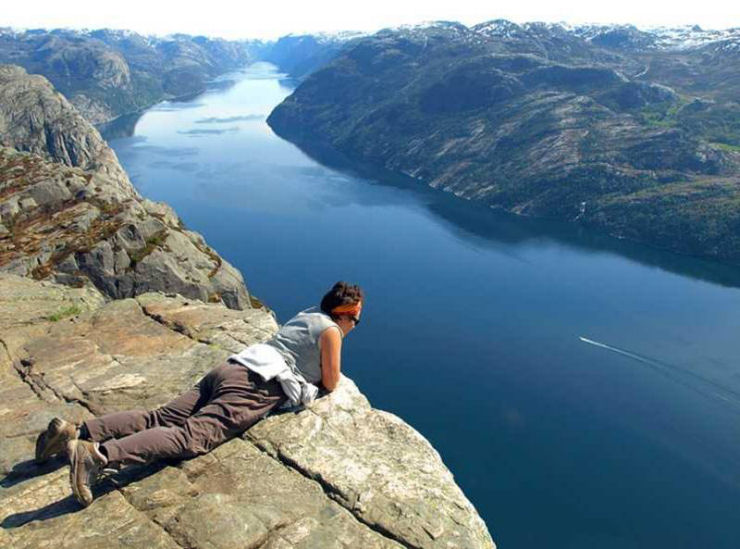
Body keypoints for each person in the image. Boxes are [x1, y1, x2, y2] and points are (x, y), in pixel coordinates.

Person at [33, 281, 364, 507]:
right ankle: (97, 457)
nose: (355, 326)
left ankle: (74, 433)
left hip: (233, 366)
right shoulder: (333, 330)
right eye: (357, 321)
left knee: (159, 417)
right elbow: (332, 381)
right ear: (345, 314)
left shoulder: (308, 314)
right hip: (256, 387)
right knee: (188, 438)